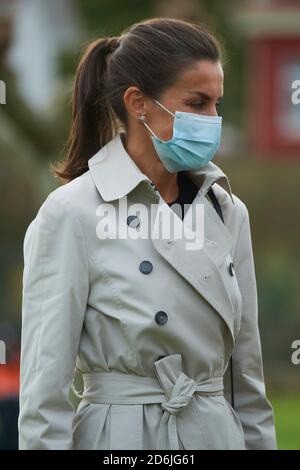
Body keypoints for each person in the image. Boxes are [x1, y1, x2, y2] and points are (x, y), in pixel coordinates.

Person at [18, 17, 277, 450]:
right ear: (138, 102)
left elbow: (247, 378)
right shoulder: (71, 213)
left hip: (214, 435)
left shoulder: (228, 211)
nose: (212, 120)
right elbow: (44, 395)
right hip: (119, 439)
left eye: (217, 104)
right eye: (197, 103)